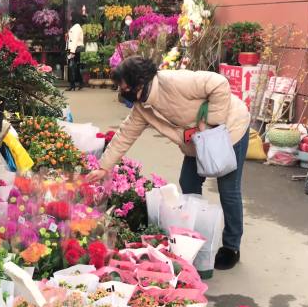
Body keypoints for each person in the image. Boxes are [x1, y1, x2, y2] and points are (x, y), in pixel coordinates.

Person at [86, 56, 251, 270]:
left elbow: (219, 83)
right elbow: (124, 135)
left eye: (124, 87)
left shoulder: (174, 81)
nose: (122, 93)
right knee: (189, 182)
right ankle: (196, 239)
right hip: (198, 142)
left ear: (140, 81)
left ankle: (231, 247)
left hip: (229, 131)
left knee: (228, 189)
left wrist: (211, 123)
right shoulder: (142, 107)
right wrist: (103, 167)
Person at [67, 12, 85, 91]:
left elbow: (74, 40)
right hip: (74, 49)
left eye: (71, 16)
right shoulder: (75, 27)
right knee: (75, 67)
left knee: (72, 67)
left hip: (75, 49)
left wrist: (72, 52)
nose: (70, 18)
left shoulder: (76, 27)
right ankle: (80, 82)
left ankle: (72, 84)